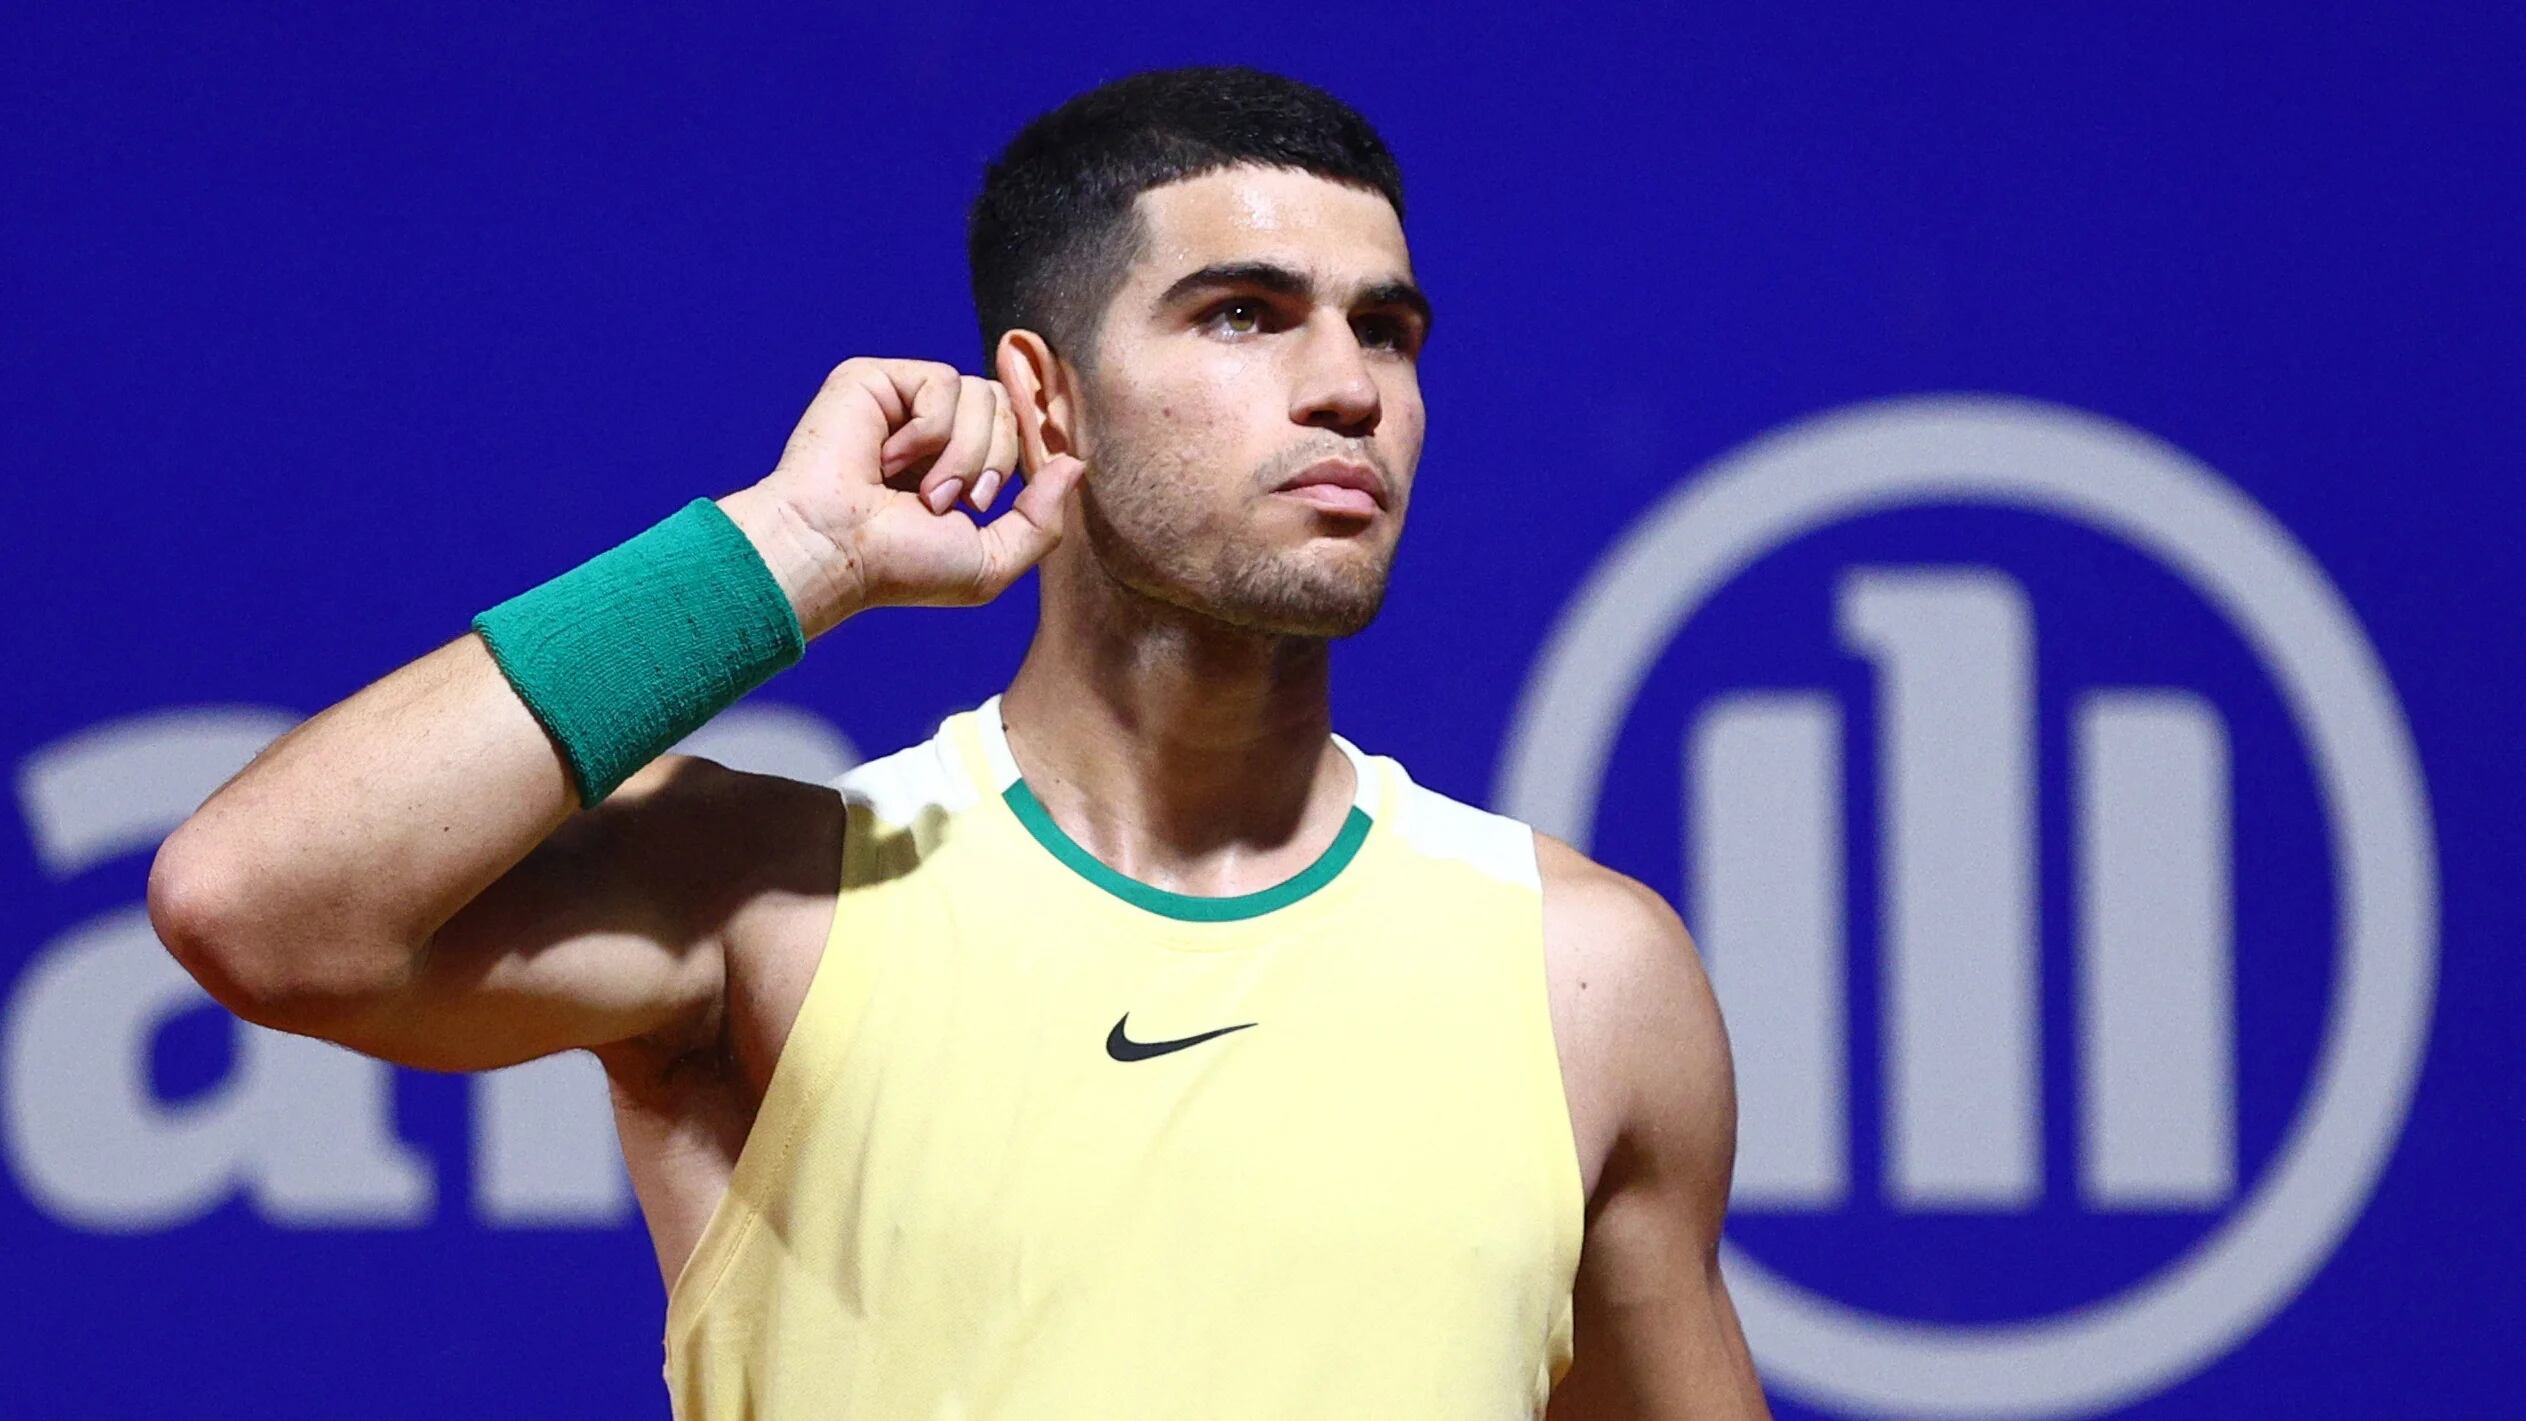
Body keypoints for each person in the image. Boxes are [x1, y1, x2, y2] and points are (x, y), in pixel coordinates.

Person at [148, 65, 1769, 1419]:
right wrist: (790, 548)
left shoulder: (1582, 974)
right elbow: (255, 904)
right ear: (1043, 401)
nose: (1347, 387)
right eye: (1243, 316)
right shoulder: (774, 911)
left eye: (1387, 329)